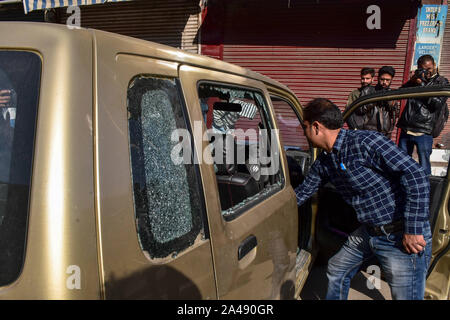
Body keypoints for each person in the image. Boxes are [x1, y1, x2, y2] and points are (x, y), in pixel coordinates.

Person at [295, 98, 432, 300]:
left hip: (399, 233)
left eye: (304, 127)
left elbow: (415, 175)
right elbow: (305, 190)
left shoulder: (366, 142)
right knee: (337, 268)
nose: (303, 132)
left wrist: (412, 229)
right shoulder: (325, 161)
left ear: (316, 127)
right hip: (369, 231)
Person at [397, 54, 449, 176]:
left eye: (429, 69)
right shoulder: (416, 80)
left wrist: (422, 85)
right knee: (402, 164)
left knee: (424, 165)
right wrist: (412, 81)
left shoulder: (441, 81)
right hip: (406, 128)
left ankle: (425, 190)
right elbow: (400, 92)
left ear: (434, 66)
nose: (427, 72)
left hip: (424, 131)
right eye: (423, 69)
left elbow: (436, 105)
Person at [351, 66, 399, 138]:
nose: (384, 82)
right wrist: (375, 100)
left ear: (391, 80)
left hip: (385, 134)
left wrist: (391, 104)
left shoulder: (392, 94)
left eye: (387, 80)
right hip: (369, 132)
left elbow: (395, 115)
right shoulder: (367, 91)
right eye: (382, 79)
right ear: (378, 78)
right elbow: (360, 110)